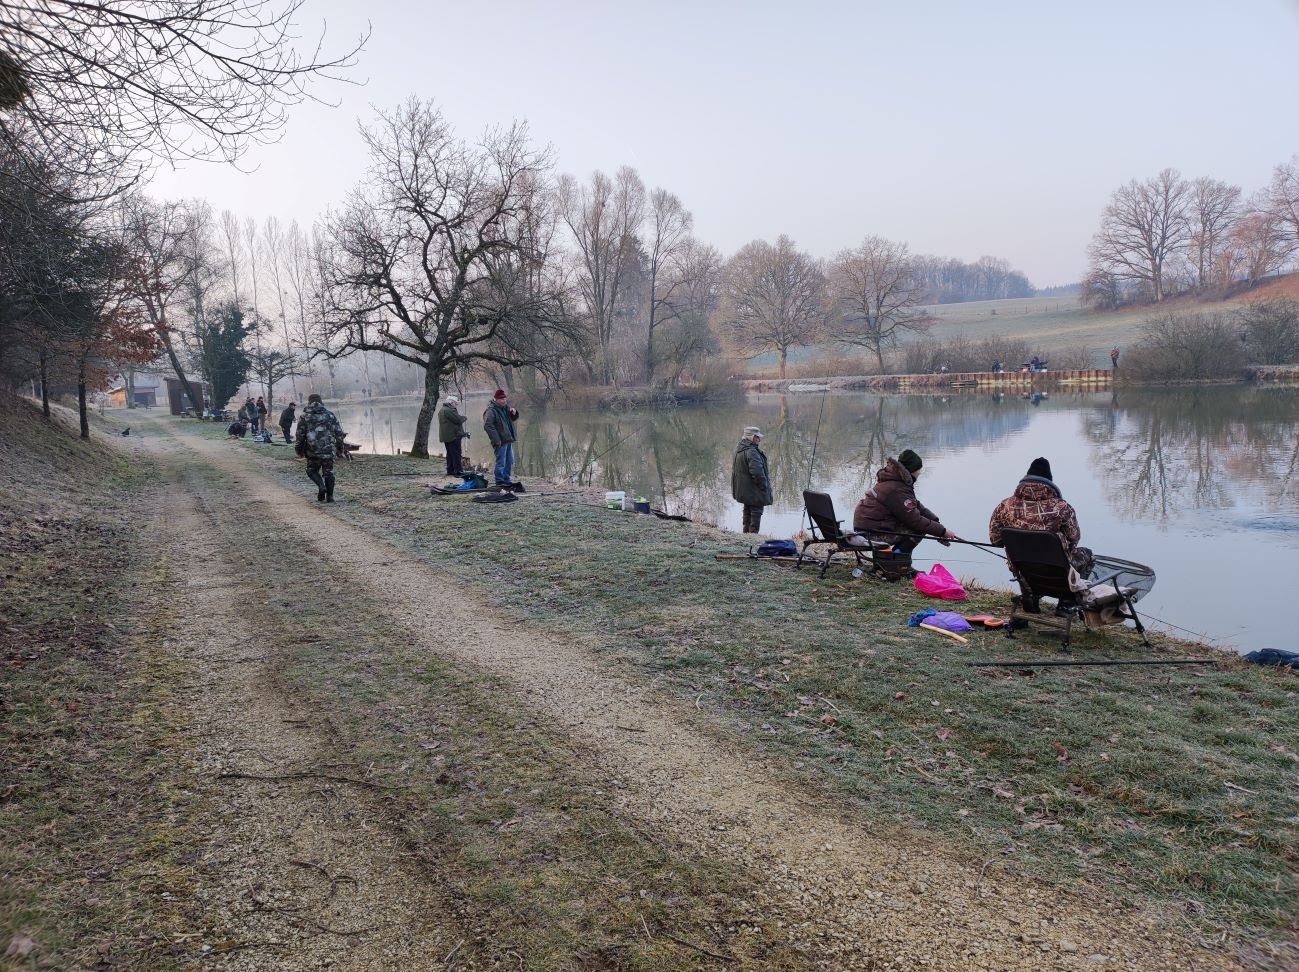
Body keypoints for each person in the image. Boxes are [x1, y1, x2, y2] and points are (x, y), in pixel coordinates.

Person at [988, 457, 1093, 612]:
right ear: (1049, 483)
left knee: (1024, 563)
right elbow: (1074, 538)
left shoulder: (1004, 506)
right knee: (1087, 554)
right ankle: (1067, 603)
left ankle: (1029, 596)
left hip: (1022, 570)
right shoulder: (1062, 508)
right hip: (1057, 570)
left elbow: (995, 540)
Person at [853, 449, 957, 554]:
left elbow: (915, 505)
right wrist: (942, 532)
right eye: (919, 470)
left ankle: (893, 560)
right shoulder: (897, 488)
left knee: (919, 525)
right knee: (918, 529)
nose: (920, 473)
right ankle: (897, 562)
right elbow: (915, 521)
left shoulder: (896, 482)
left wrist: (937, 524)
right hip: (871, 534)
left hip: (868, 528)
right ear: (912, 470)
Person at [295, 393, 346, 502]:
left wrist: (298, 449)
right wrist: (340, 447)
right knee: (329, 472)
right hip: (328, 449)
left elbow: (300, 435)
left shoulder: (304, 417)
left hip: (312, 450)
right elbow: (339, 433)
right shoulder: (330, 415)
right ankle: (330, 497)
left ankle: (321, 487)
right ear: (321, 401)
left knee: (311, 470)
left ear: (309, 402)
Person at [730, 426, 772, 533]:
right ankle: (753, 537)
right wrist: (764, 486)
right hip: (754, 492)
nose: (759, 439)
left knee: (747, 511)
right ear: (752, 437)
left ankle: (746, 536)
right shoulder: (752, 451)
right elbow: (757, 472)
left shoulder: (739, 448)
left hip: (745, 491)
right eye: (757, 437)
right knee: (756, 512)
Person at [483, 389, 519, 486]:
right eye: (501, 399)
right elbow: (488, 426)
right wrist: (496, 439)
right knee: (501, 462)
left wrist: (514, 413)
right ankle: (499, 481)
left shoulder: (506, 408)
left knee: (510, 460)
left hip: (508, 440)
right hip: (500, 441)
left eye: (504, 399)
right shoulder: (491, 410)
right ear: (495, 399)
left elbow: (512, 419)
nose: (504, 400)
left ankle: (506, 479)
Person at [438, 395, 469, 475]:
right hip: (453, 436)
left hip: (447, 436)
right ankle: (458, 471)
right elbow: (458, 419)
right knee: (456, 454)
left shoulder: (442, 409)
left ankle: (450, 470)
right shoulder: (449, 410)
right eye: (455, 403)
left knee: (450, 454)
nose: (456, 405)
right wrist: (464, 418)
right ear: (451, 402)